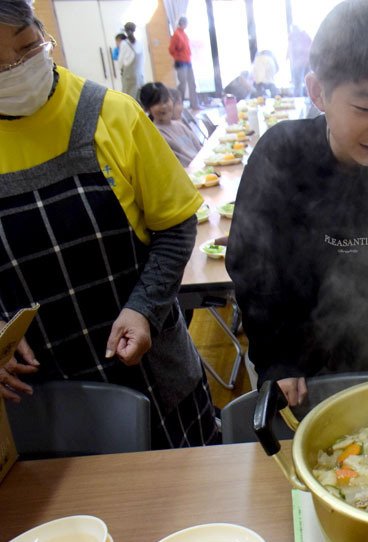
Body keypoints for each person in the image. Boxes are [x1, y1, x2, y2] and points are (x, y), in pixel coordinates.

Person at [0, 0, 219, 449]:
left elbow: (177, 227)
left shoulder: (111, 114)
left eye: (25, 48)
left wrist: (143, 307)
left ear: (43, 34)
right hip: (36, 398)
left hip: (152, 370)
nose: (15, 68)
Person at [226, 0, 368, 407]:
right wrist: (276, 360)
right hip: (298, 362)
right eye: (364, 108)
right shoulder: (281, 154)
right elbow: (252, 268)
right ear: (318, 92)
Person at [139, 82, 202, 167]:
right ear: (147, 109)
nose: (164, 106)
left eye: (166, 100)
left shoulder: (180, 125)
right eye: (157, 103)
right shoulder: (155, 135)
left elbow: (200, 151)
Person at [168, 16, 199, 110]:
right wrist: (178, 56)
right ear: (182, 23)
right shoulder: (176, 34)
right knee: (183, 84)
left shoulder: (184, 34)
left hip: (188, 61)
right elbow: (171, 49)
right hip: (180, 62)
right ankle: (179, 105)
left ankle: (194, 104)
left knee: (192, 83)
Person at [118, 21, 144, 100]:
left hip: (129, 76)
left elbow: (120, 62)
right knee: (140, 98)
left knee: (130, 100)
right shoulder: (140, 43)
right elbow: (143, 60)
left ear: (125, 30)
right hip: (140, 75)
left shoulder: (124, 43)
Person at [287, 24, 311, 97]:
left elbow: (290, 49)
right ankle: (310, 101)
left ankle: (299, 100)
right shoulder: (305, 35)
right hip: (307, 62)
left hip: (298, 63)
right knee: (309, 83)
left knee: (298, 83)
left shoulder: (292, 37)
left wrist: (290, 60)